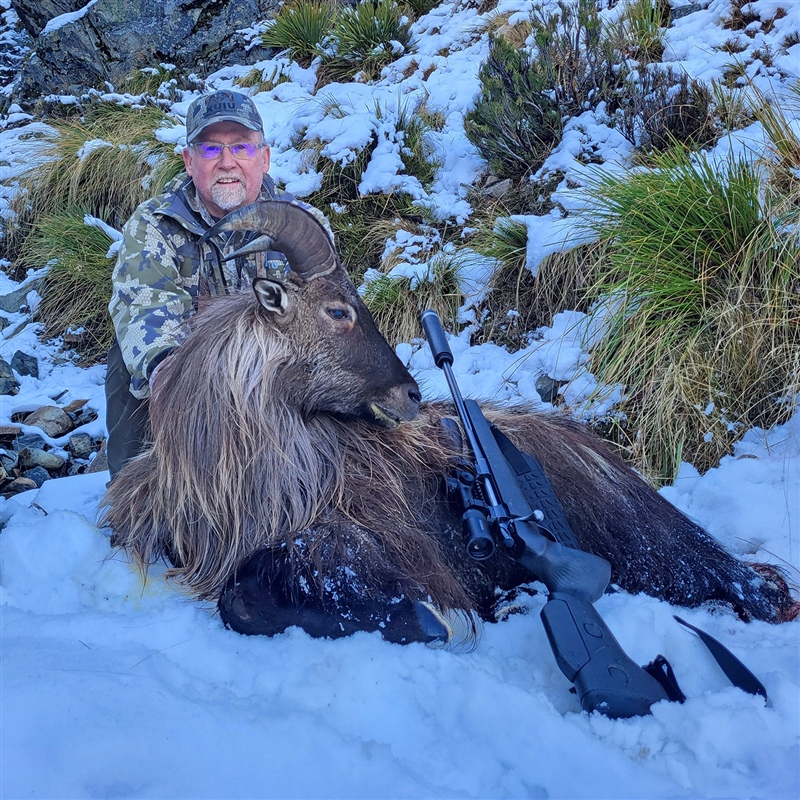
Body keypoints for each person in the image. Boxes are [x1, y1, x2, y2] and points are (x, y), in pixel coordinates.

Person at [105, 89, 320, 480]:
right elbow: (143, 311)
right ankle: (144, 485)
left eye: (241, 147)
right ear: (189, 161)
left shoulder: (302, 225)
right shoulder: (155, 224)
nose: (227, 163)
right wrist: (191, 395)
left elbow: (328, 315)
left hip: (276, 381)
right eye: (209, 150)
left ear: (264, 157)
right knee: (128, 359)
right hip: (186, 387)